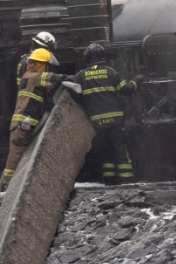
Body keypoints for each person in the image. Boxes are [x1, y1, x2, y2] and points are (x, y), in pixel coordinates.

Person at [3, 49, 74, 192]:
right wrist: (71, 77)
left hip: (22, 124)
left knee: (17, 155)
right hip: (22, 125)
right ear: (42, 64)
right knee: (16, 156)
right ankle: (6, 187)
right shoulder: (35, 76)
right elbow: (54, 78)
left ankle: (6, 186)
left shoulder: (29, 76)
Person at [74, 43, 138, 185]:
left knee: (107, 152)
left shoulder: (81, 76)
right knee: (121, 151)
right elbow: (126, 90)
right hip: (115, 121)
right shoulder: (110, 72)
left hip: (97, 123)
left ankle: (109, 180)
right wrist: (136, 81)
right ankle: (127, 181)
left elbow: (76, 94)